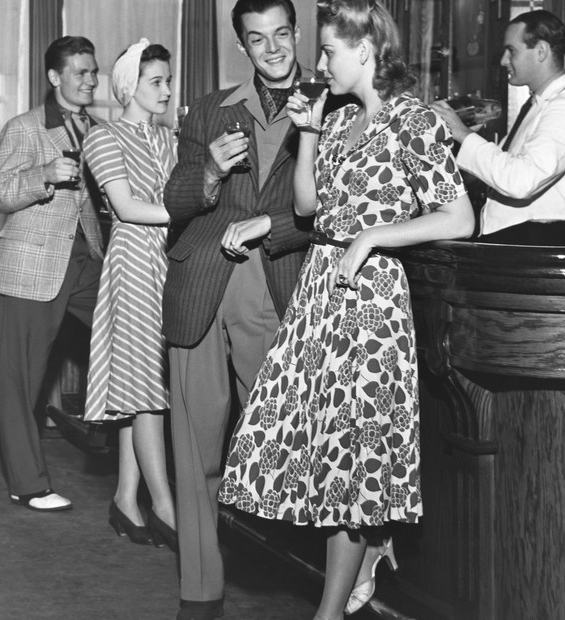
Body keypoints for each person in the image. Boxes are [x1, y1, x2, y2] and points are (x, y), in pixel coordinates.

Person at [219, 1, 475, 619]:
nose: (320, 62)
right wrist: (309, 132)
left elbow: (459, 216)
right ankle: (358, 570)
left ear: (364, 50)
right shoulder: (336, 120)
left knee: (349, 459)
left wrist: (373, 237)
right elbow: (308, 208)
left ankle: (329, 611)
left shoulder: (413, 121)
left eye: (330, 50)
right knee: (302, 440)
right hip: (320, 293)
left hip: (370, 302)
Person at [162, 0, 313, 617]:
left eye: (281, 34)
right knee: (195, 448)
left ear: (297, 34)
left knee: (288, 440)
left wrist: (270, 223)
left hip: (276, 285)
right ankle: (199, 591)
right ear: (242, 45)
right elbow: (175, 200)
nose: (272, 49)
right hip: (201, 285)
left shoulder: (334, 106)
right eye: (257, 39)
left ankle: (340, 576)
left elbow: (339, 206)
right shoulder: (210, 108)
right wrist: (210, 172)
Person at [0, 36, 104, 512]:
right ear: (55, 77)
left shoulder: (98, 129)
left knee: (132, 335)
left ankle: (120, 440)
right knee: (20, 380)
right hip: (32, 264)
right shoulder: (25, 127)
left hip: (87, 262)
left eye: (93, 71)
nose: (90, 80)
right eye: (80, 72)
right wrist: (43, 175)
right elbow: (0, 192)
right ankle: (28, 484)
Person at [82, 39, 177, 550]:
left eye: (168, 80)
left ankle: (124, 497)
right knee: (147, 388)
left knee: (138, 384)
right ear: (128, 86)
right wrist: (188, 210)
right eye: (156, 81)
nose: (167, 90)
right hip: (135, 261)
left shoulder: (170, 138)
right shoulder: (103, 138)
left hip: (169, 260)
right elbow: (126, 207)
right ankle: (164, 506)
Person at [432, 9, 565, 245]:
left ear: (541, 51)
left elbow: (521, 181)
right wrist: (462, 140)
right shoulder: (538, 105)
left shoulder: (564, 105)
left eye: (511, 51)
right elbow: (501, 175)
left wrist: (463, 135)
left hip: (536, 244)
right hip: (518, 243)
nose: (503, 60)